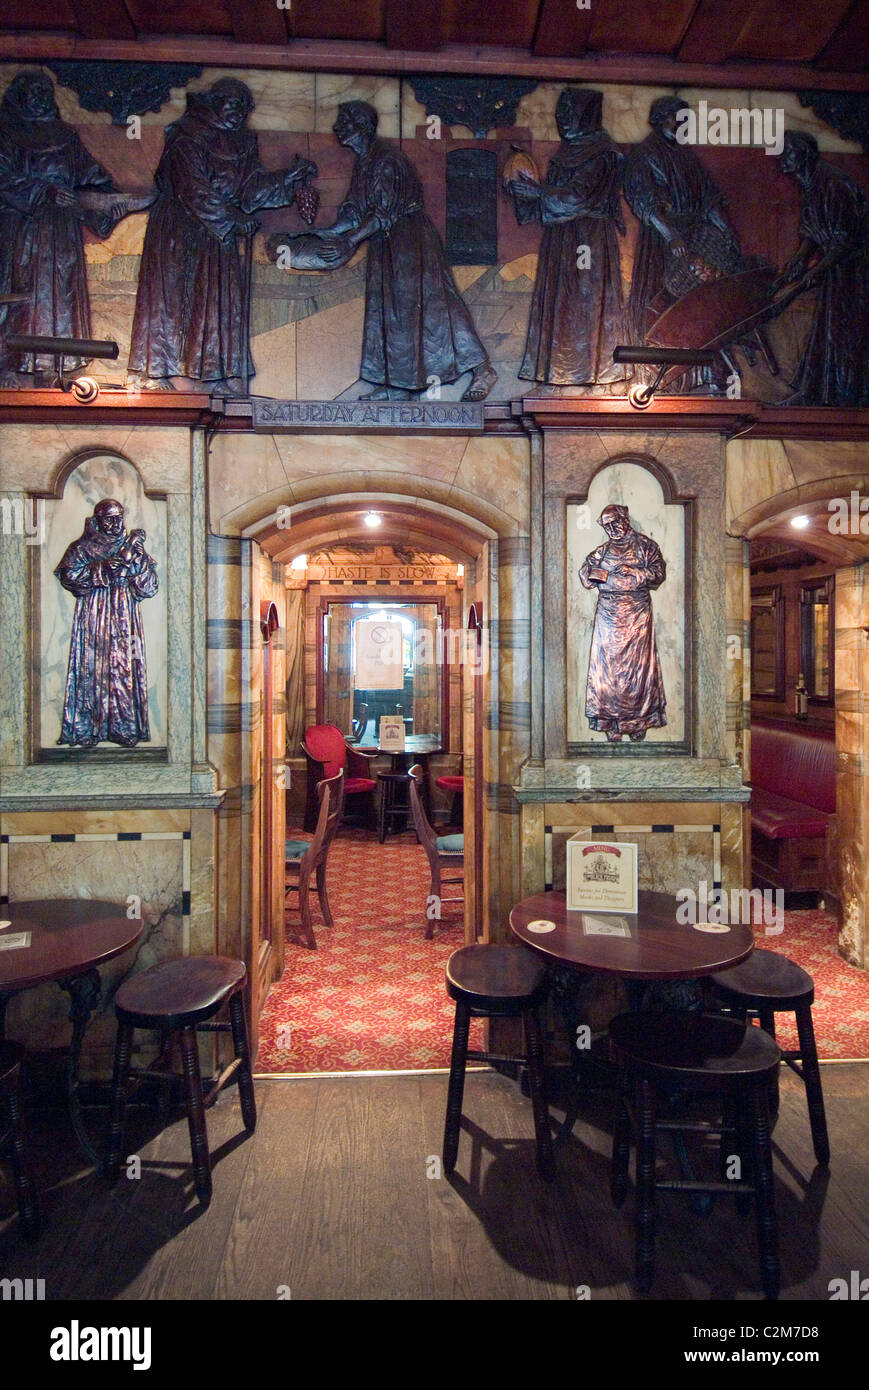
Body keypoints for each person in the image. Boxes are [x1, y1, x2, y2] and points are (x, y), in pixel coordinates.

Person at [297, 100, 496, 401]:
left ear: (361, 126)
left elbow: (382, 214)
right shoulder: (365, 161)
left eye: (344, 122)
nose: (337, 128)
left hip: (409, 239)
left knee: (433, 305)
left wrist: (350, 241)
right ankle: (397, 385)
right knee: (390, 311)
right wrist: (326, 234)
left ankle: (482, 369)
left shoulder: (386, 160)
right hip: (385, 241)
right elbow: (354, 211)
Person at [127, 78, 316, 393]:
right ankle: (156, 375)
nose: (238, 112)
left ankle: (217, 376)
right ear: (213, 102)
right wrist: (231, 218)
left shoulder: (241, 142)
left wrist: (288, 177)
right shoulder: (186, 135)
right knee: (172, 299)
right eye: (232, 104)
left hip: (219, 233)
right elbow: (191, 186)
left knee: (218, 303)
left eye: (244, 107)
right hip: (182, 231)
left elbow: (249, 190)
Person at [0, 69, 116, 384]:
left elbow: (94, 176)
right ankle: (11, 366)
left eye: (43, 92)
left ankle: (52, 367)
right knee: (21, 294)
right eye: (32, 92)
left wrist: (104, 203)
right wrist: (45, 191)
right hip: (22, 231)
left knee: (60, 295)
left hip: (62, 234)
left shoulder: (65, 136)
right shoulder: (5, 133)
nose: (39, 98)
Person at [506, 87, 626, 389]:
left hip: (589, 239)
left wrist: (537, 192)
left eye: (569, 114)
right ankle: (556, 372)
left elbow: (577, 198)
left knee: (585, 302)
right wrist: (524, 191)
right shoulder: (570, 151)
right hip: (562, 238)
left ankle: (594, 375)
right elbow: (553, 199)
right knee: (561, 303)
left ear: (586, 115)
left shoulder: (601, 153)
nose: (563, 120)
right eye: (561, 115)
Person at [622, 95, 743, 391]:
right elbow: (645, 203)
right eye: (681, 119)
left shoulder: (687, 157)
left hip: (695, 239)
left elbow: (709, 200)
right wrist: (671, 236)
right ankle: (653, 376)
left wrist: (726, 231)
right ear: (664, 119)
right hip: (662, 243)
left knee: (699, 306)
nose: (686, 125)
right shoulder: (645, 154)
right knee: (661, 303)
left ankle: (698, 376)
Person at [774, 130, 869, 407]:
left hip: (855, 273)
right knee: (829, 330)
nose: (782, 158)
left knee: (847, 332)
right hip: (838, 271)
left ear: (803, 153)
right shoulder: (813, 185)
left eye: (787, 152)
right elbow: (814, 235)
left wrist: (812, 274)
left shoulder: (833, 183)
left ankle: (845, 397)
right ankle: (820, 392)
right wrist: (796, 264)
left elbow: (844, 241)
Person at [55, 500, 158, 747]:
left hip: (124, 616)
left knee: (123, 667)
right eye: (109, 518)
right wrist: (100, 568)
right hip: (93, 615)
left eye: (119, 518)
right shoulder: (81, 548)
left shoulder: (130, 547)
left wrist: (138, 565)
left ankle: (123, 728)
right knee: (92, 666)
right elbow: (69, 576)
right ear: (97, 520)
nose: (115, 524)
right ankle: (89, 729)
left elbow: (149, 586)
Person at [579, 504, 666, 742]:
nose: (611, 529)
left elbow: (658, 573)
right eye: (606, 526)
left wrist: (636, 572)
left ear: (625, 519)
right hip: (608, 615)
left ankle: (639, 721)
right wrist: (598, 575)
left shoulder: (646, 546)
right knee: (608, 671)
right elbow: (586, 574)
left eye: (614, 523)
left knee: (637, 670)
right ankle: (610, 722)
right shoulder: (603, 551)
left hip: (636, 615)